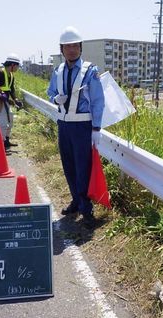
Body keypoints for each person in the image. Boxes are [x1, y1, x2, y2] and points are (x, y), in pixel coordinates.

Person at [47, 26, 105, 228]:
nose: (71, 50)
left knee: (83, 168)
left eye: (75, 46)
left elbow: (98, 101)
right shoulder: (58, 70)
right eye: (67, 46)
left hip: (82, 126)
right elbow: (50, 92)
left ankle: (86, 208)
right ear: (61, 49)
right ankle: (75, 200)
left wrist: (96, 128)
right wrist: (55, 97)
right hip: (63, 125)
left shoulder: (90, 71)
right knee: (69, 166)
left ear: (80, 48)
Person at [0, 53, 23, 150]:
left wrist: (15, 99)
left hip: (7, 102)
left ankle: (6, 141)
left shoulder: (11, 75)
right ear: (12, 65)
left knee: (10, 121)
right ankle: (1, 144)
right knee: (3, 123)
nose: (18, 68)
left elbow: (11, 89)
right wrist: (0, 94)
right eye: (17, 66)